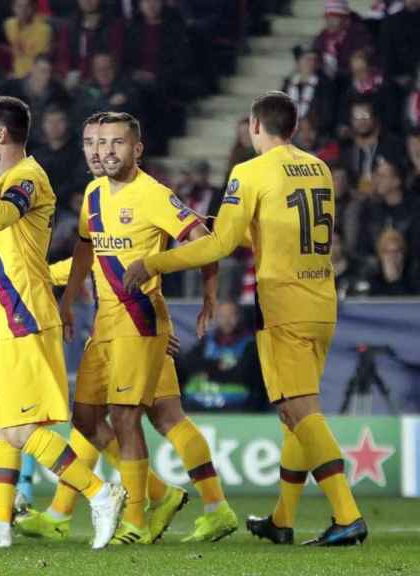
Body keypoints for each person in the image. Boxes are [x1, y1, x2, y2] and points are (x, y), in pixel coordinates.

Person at [124, 90, 368, 546]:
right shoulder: (319, 169)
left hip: (284, 303)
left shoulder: (249, 172)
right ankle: (282, 519)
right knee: (293, 412)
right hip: (322, 299)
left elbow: (220, 245)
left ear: (256, 126)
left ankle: (347, 514)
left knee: (300, 409)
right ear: (292, 129)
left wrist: (154, 263)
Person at [22, 112, 236, 545]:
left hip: (138, 322)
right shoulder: (94, 193)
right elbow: (90, 253)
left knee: (124, 418)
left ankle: (132, 520)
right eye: (97, 144)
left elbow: (204, 240)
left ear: (136, 149)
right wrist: (60, 293)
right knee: (100, 418)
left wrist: (207, 291)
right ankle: (199, 504)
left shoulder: (153, 195)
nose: (105, 152)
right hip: (106, 324)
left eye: (116, 143)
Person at [0, 97, 124, 550]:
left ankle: (101, 493)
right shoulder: (0, 177)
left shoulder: (28, 179)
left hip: (25, 317)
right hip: (4, 320)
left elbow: (0, 213)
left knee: (21, 430)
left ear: (1, 135)